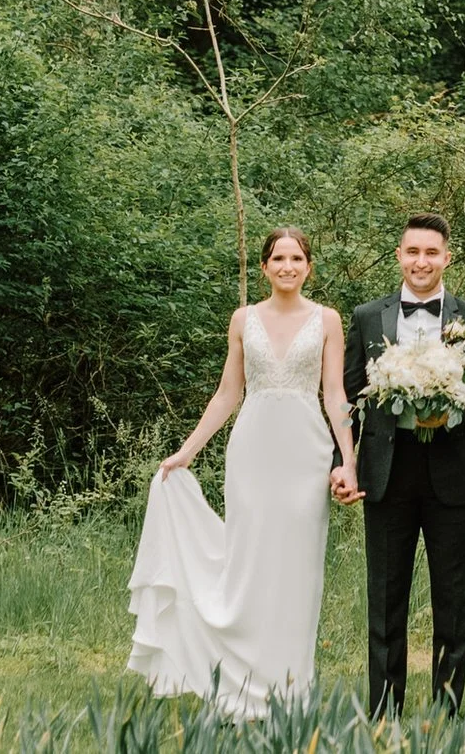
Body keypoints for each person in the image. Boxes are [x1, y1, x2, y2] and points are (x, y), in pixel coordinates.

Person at [127, 228, 359, 716]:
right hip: (252, 454)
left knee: (297, 570)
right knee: (248, 564)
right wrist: (187, 451)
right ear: (264, 267)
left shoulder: (328, 320)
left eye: (297, 259)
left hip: (306, 456)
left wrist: (348, 461)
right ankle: (237, 683)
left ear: (309, 266)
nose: (288, 267)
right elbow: (227, 393)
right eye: (279, 258)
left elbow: (335, 394)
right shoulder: (243, 319)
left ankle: (290, 689)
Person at [342, 213, 465, 716]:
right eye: (413, 252)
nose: (421, 261)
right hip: (386, 472)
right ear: (399, 256)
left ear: (447, 258)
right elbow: (347, 399)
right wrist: (342, 463)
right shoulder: (367, 317)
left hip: (452, 472)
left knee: (453, 600)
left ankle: (447, 711)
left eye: (431, 253)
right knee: (385, 597)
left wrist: (452, 416)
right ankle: (383, 710)